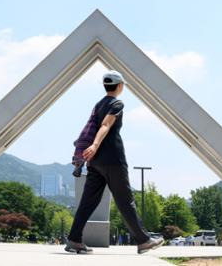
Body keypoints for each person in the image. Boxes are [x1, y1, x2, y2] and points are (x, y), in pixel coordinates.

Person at [65, 70, 164, 255]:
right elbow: (105, 125)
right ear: (119, 86)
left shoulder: (98, 104)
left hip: (94, 163)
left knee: (87, 202)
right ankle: (143, 241)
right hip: (113, 159)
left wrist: (93, 151)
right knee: (125, 200)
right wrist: (95, 145)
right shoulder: (117, 103)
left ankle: (74, 239)